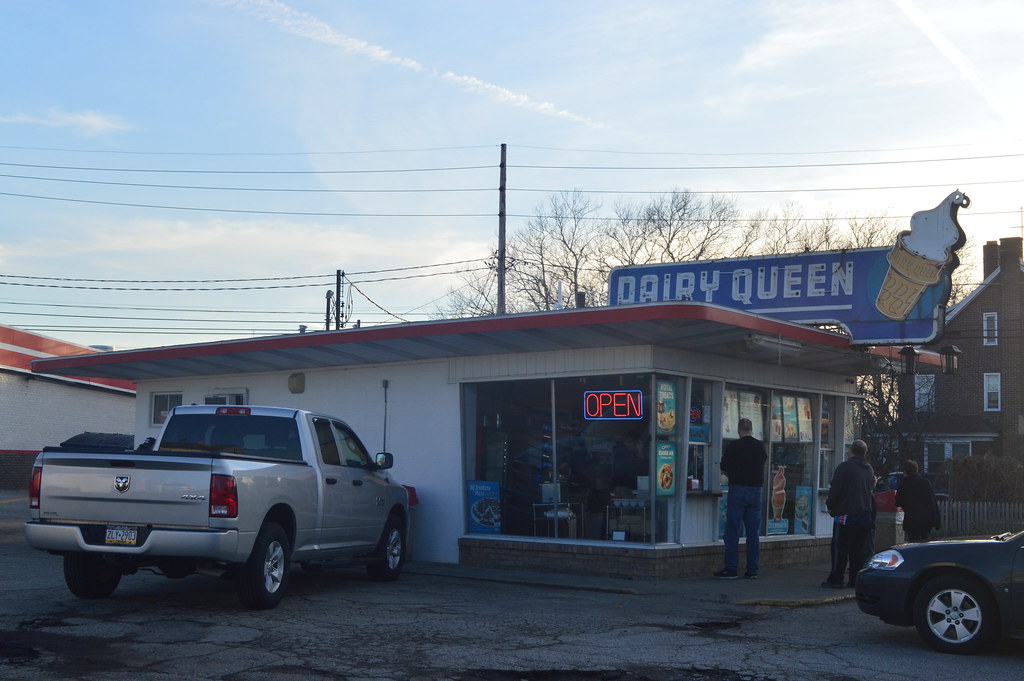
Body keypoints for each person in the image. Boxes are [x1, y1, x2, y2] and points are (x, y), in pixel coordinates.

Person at [714, 418, 767, 579]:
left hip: (738, 490)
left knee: (732, 530)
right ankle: (752, 569)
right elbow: (762, 462)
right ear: (752, 429)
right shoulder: (760, 447)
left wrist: (733, 474)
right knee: (753, 532)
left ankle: (731, 568)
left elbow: (723, 468)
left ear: (739, 430)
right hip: (756, 492)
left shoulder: (734, 446)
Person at [823, 439, 876, 588]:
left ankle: (836, 578)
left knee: (840, 548)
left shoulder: (845, 467)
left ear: (851, 451)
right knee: (857, 551)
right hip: (864, 515)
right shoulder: (869, 469)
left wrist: (830, 506)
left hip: (846, 515)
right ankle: (854, 579)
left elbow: (836, 490)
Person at [895, 459, 941, 542]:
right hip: (926, 521)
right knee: (925, 543)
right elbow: (932, 503)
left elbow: (898, 502)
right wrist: (936, 521)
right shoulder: (925, 483)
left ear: (905, 472)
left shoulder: (904, 485)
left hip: (911, 521)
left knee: (914, 543)